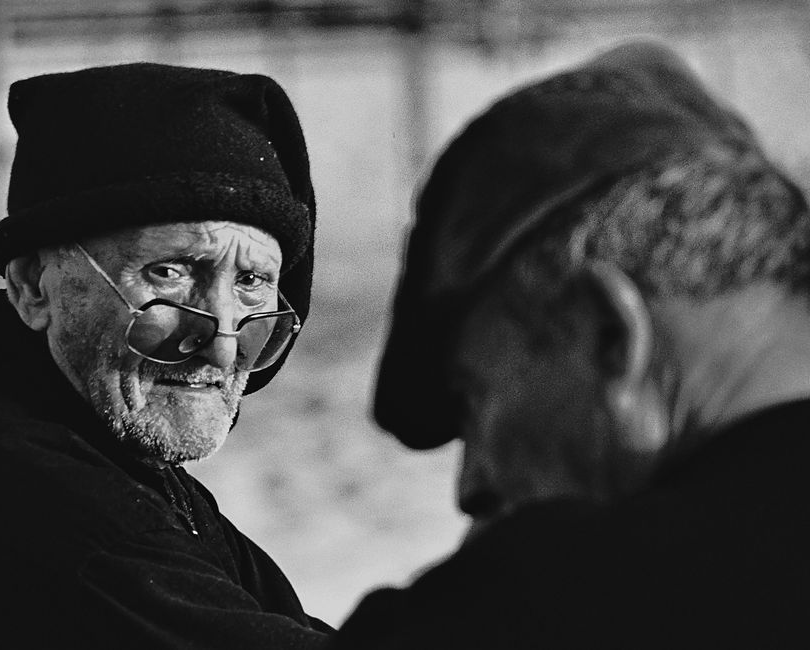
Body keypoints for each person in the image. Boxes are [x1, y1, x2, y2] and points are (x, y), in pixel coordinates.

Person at [0, 62, 331, 648]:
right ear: (35, 285)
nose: (224, 339)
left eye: (253, 283)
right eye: (170, 272)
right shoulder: (33, 502)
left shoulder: (92, 443)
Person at [333, 41, 810, 649]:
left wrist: (489, 592)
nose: (470, 487)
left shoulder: (542, 604)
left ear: (614, 334)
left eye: (475, 397)